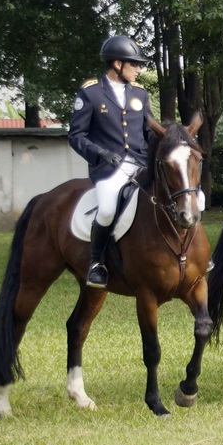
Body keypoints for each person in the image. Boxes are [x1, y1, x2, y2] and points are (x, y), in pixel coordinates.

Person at [68, 35, 154, 288]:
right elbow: (76, 135)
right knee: (106, 209)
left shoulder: (140, 94)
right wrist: (100, 153)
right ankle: (97, 263)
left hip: (140, 163)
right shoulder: (91, 92)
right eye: (134, 64)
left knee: (176, 193)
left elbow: (150, 133)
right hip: (109, 168)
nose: (139, 69)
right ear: (118, 64)